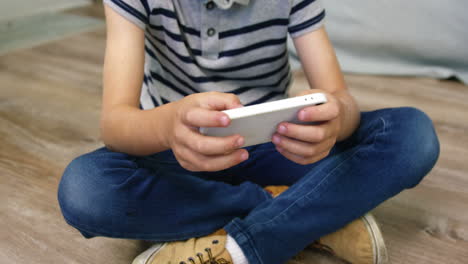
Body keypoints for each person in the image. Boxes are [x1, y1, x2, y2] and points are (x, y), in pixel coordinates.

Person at [57, 0, 440, 263]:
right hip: (177, 153)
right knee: (85, 188)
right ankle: (311, 214)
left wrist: (336, 117)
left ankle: (241, 245)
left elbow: (338, 97)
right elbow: (116, 122)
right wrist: (168, 126)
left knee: (412, 134)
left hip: (277, 144)